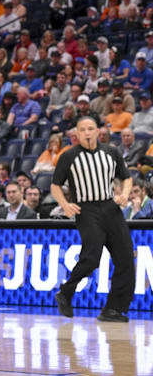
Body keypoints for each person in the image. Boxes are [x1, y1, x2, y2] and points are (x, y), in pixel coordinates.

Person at [52, 116, 135, 322]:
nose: (87, 132)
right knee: (91, 257)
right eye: (83, 129)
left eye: (91, 129)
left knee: (125, 259)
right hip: (86, 210)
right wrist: (65, 204)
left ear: (98, 131)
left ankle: (113, 309)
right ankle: (66, 291)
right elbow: (55, 185)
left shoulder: (112, 152)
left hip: (110, 208)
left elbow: (126, 177)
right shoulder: (68, 156)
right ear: (77, 134)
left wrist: (124, 194)